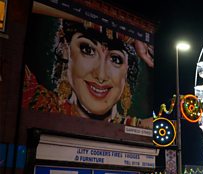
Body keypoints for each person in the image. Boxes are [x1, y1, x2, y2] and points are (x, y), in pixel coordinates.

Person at [23, 18, 153, 128]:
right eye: (88, 50)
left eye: (115, 59)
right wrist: (132, 33)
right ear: (66, 51)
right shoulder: (39, 104)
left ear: (127, 71)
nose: (101, 76)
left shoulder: (139, 128)